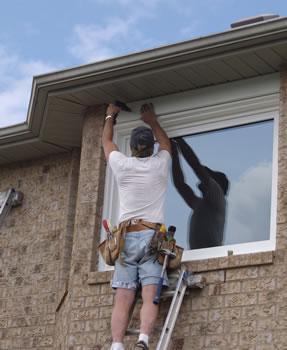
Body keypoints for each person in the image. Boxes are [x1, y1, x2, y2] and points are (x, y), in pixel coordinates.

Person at [102, 103, 171, 350]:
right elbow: (167, 144)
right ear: (151, 148)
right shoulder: (160, 164)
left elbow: (107, 142)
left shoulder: (122, 165)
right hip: (152, 236)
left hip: (125, 237)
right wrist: (152, 120)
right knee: (150, 295)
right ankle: (143, 339)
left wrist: (111, 115)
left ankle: (118, 345)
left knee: (123, 298)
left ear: (131, 148)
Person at [171, 137, 229, 249]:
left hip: (210, 257)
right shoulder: (203, 205)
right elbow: (180, 184)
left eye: (210, 177)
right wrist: (174, 155)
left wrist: (180, 141)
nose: (203, 179)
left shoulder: (218, 196)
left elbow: (196, 167)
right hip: (198, 256)